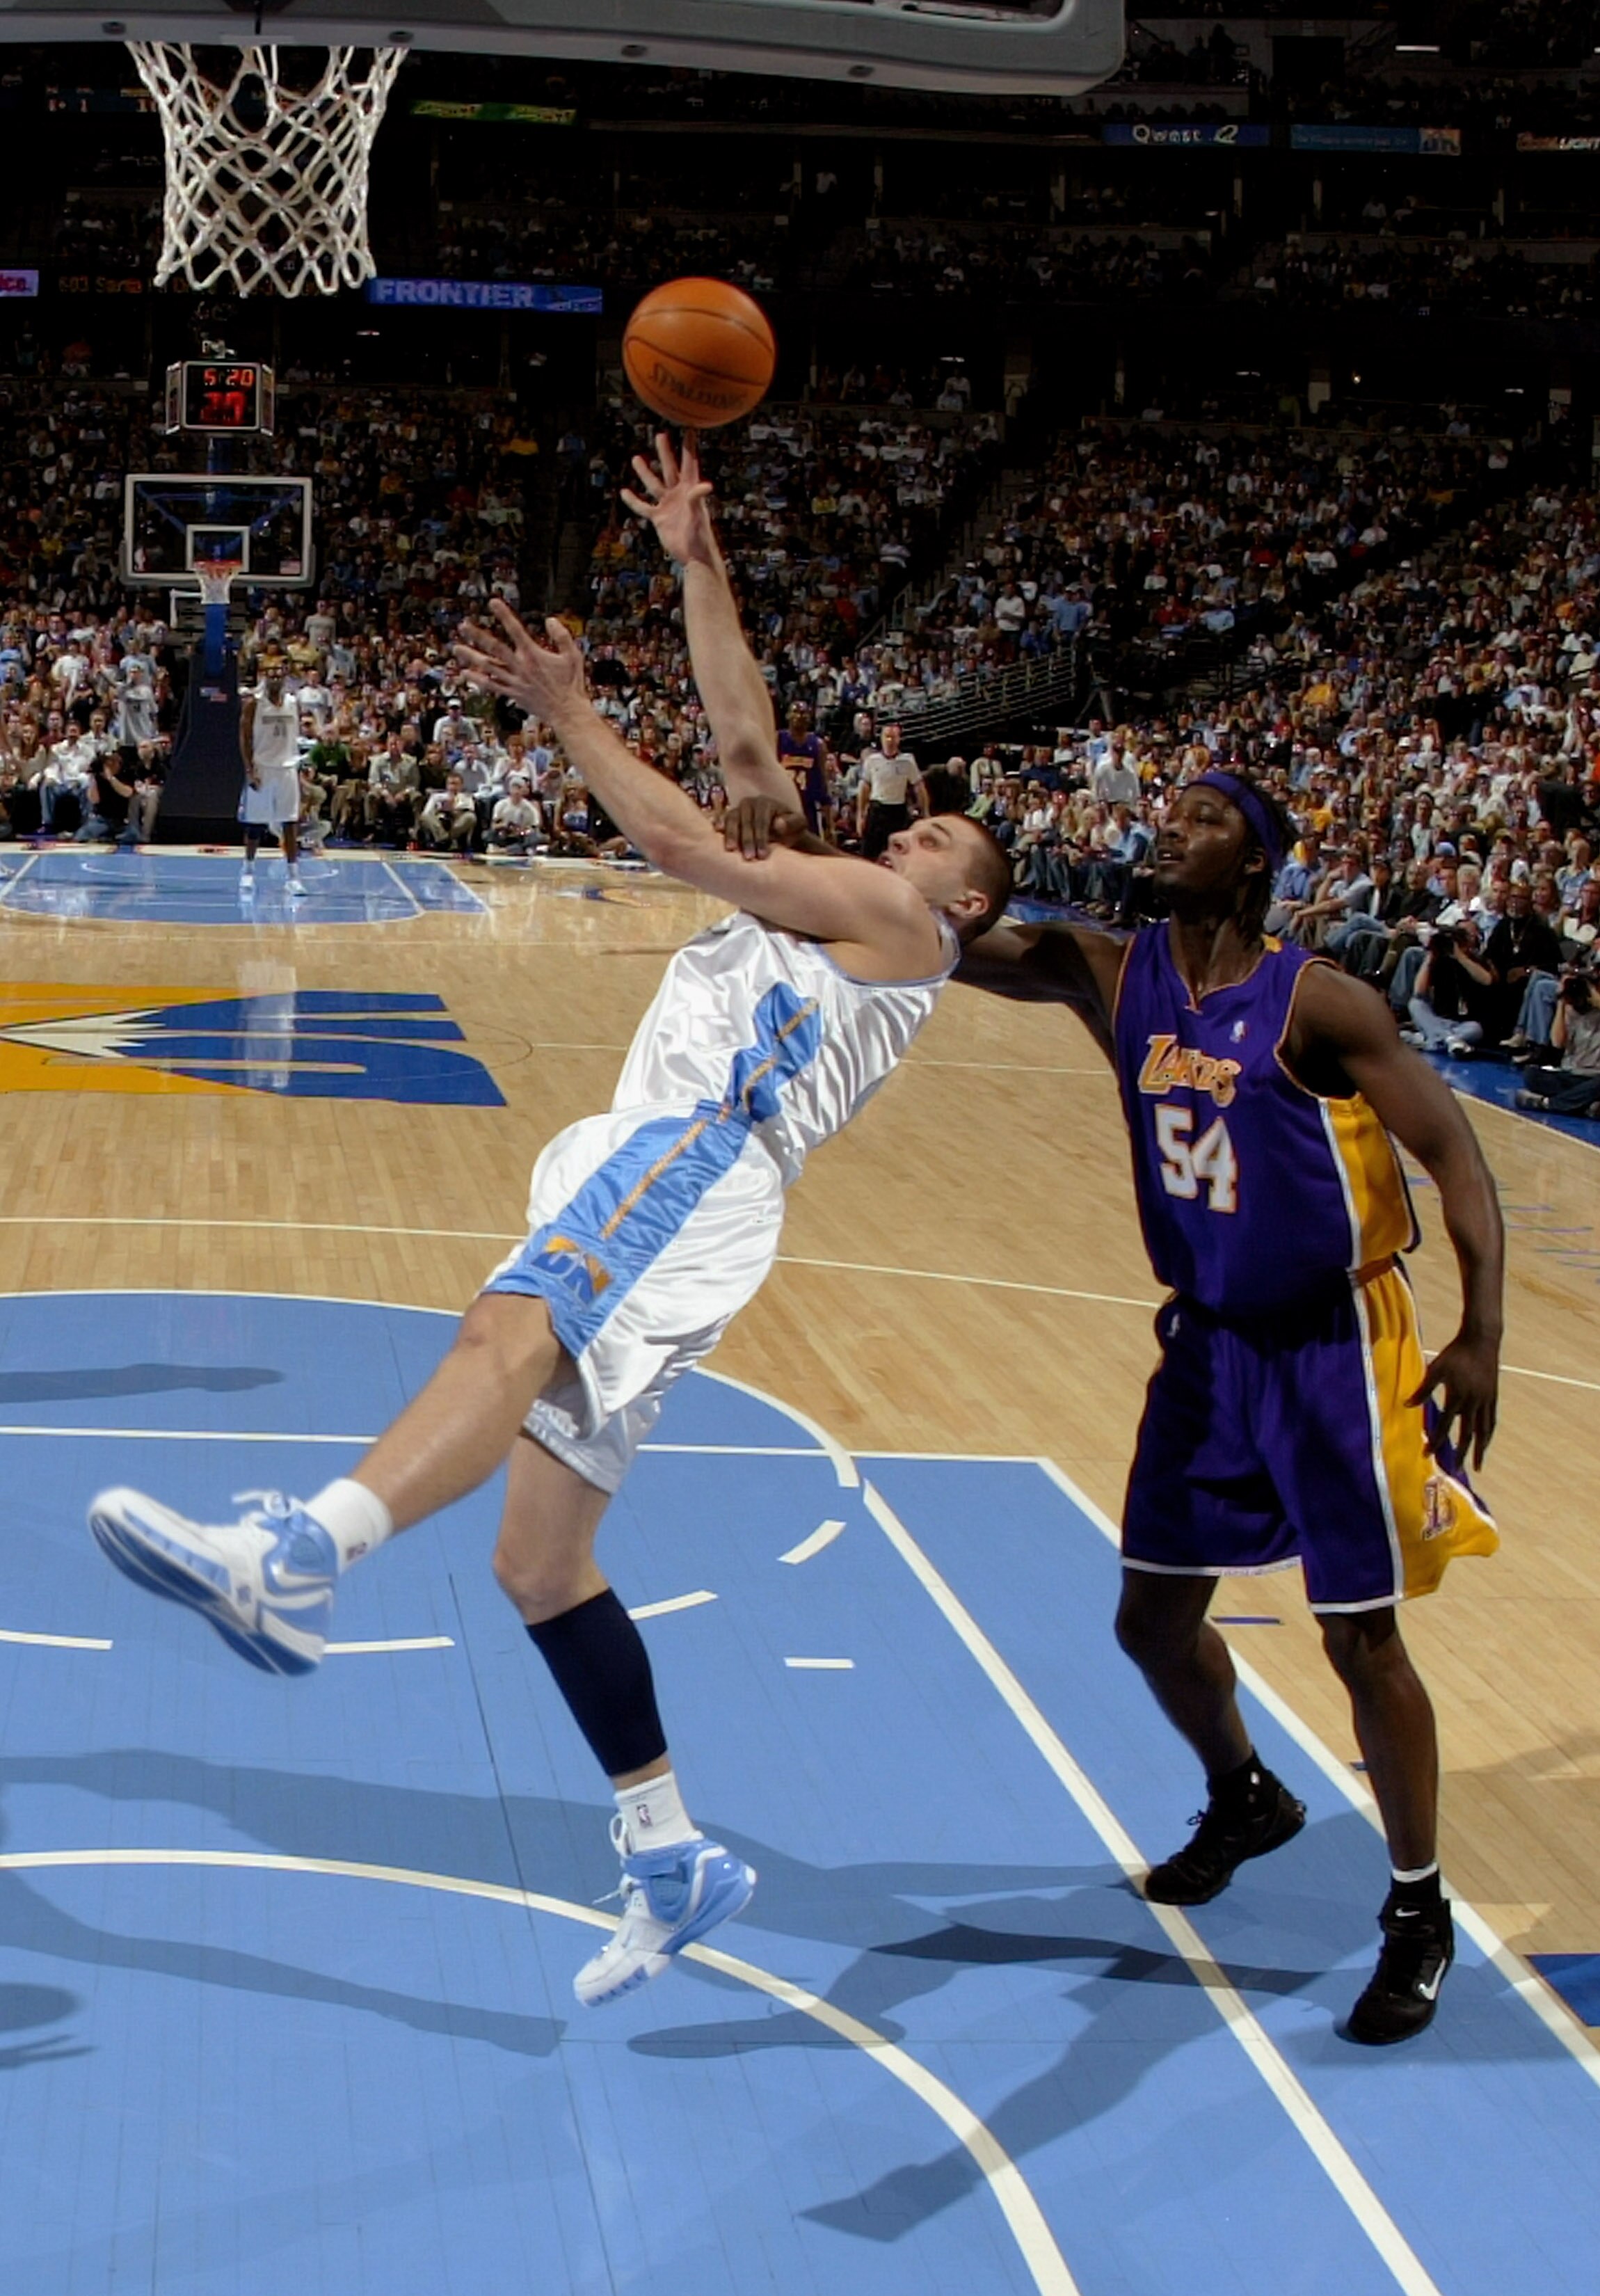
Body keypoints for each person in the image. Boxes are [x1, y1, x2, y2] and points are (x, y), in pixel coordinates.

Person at [87, 431, 1013, 2016]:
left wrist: (573, 711)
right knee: (539, 1558)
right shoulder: (831, 890)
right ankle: (668, 1850)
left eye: (936, 838)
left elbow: (675, 839)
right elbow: (738, 747)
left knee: (500, 1330)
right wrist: (696, 560)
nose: (907, 833)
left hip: (689, 1164)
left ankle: (299, 1556)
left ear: (966, 900)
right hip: (680, 1179)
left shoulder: (904, 921)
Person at [733, 767, 1503, 2046]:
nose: (1170, 830)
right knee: (1152, 1620)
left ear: (1254, 865)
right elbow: (930, 924)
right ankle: (1247, 1795)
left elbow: (1456, 1154)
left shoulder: (1321, 1001)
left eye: (1203, 822)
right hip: (1206, 1348)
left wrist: (1482, 1330)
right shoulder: (1114, 972)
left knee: (1360, 1639)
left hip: (1334, 1348)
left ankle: (1418, 1910)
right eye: (1172, 813)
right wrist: (784, 842)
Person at [239, 669, 305, 898]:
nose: (275, 680)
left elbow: (297, 736)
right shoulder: (254, 705)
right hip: (262, 768)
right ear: (265, 679)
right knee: (255, 825)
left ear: (285, 679)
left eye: (280, 676)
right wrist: (249, 769)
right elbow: (244, 737)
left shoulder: (293, 703)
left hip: (287, 768)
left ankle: (293, 877)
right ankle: (248, 870)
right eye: (271, 676)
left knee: (290, 822)